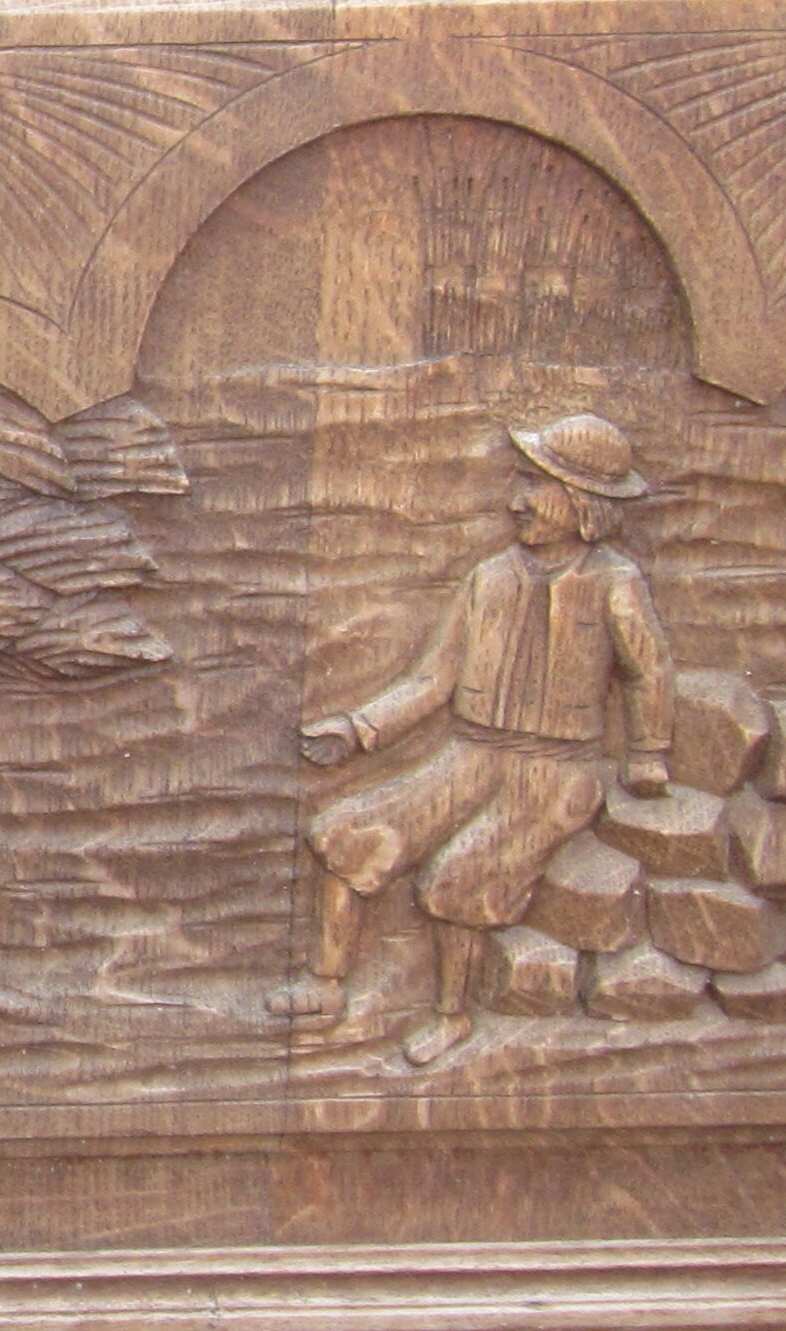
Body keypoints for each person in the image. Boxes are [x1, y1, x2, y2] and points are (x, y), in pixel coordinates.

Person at [279, 414, 672, 1067]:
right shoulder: (489, 578)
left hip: (556, 772)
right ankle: (325, 986)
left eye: (533, 485)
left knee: (458, 874)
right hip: (471, 755)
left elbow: (648, 668)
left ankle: (452, 1015)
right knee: (345, 834)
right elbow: (434, 679)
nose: (516, 500)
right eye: (519, 482)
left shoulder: (615, 583)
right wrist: (356, 730)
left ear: (583, 506)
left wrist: (650, 753)